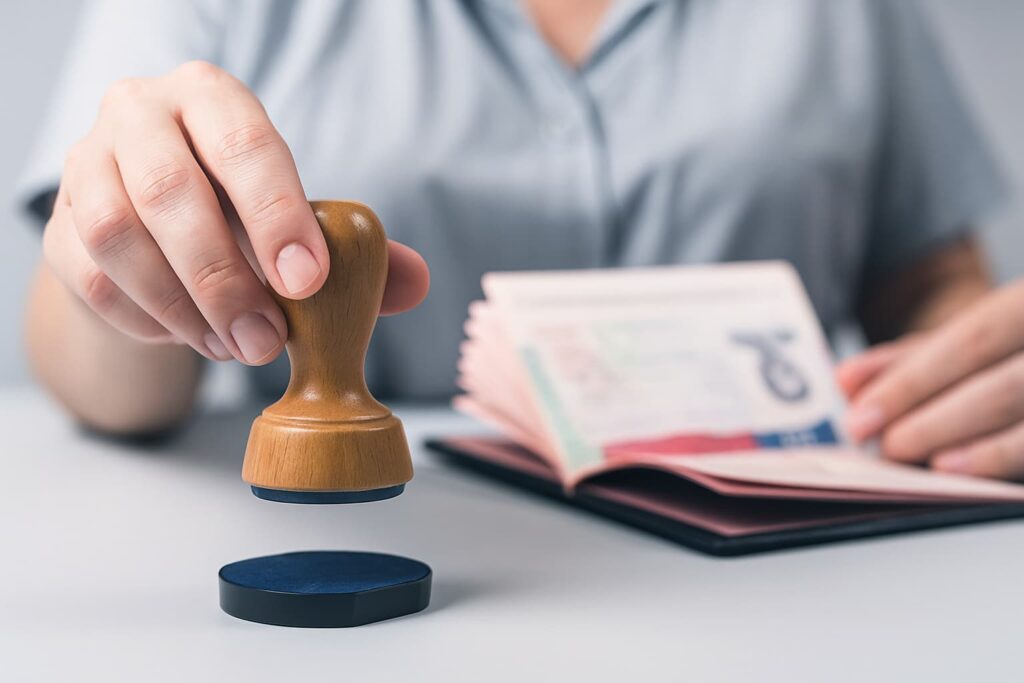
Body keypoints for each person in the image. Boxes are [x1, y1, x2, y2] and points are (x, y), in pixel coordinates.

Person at [16, 1, 1017, 478]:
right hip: (406, 540)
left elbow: (928, 279)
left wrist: (977, 375)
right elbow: (93, 359)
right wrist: (132, 282)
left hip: (799, 563)